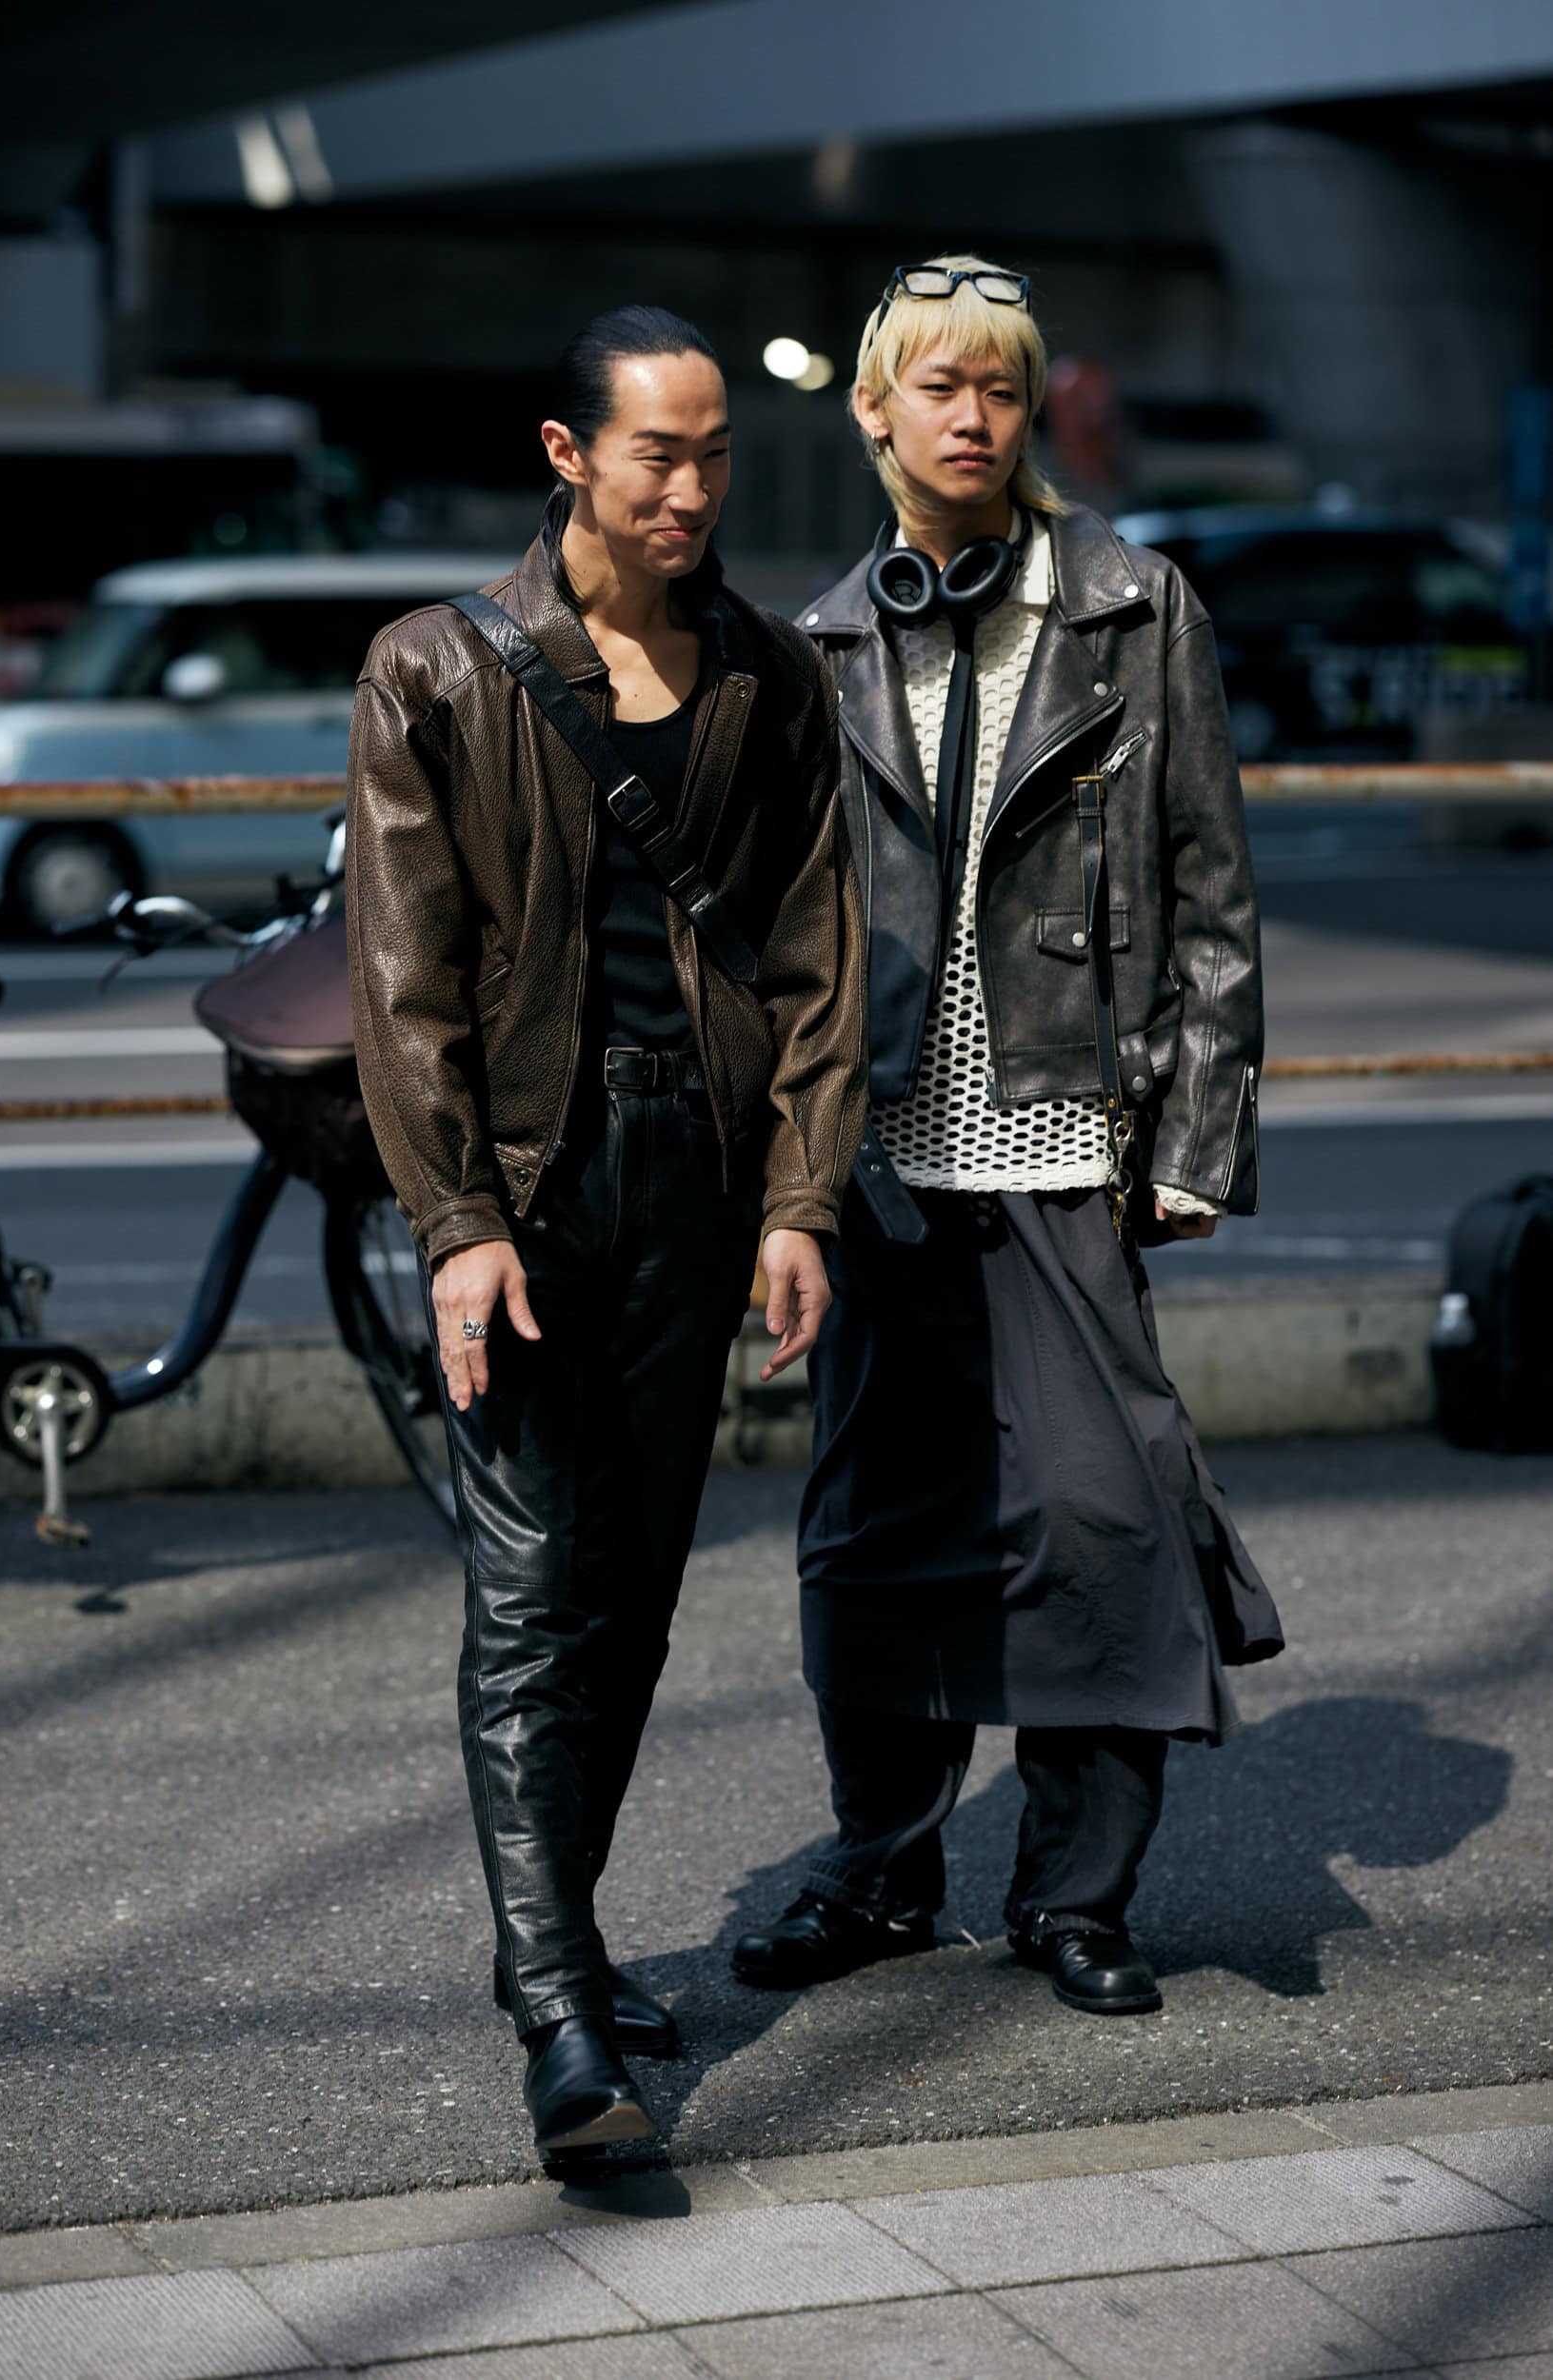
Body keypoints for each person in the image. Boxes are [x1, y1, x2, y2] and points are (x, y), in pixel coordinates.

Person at [733, 256, 1284, 2016]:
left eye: (1001, 386)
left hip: (1066, 1138)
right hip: (881, 1155)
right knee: (877, 1528)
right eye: (940, 386)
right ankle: (882, 1872)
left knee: (1103, 1519)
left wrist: (1194, 1137)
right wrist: (786, 1171)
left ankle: (1076, 1898)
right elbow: (781, 933)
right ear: (874, 409)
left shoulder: (1133, 607)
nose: (973, 417)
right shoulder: (824, 639)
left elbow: (1210, 888)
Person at [347, 306, 866, 2156]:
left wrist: (800, 1196)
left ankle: (549, 1941)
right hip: (524, 1184)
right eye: (661, 452)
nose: (694, 488)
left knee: (632, 1588)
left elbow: (816, 955)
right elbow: (404, 977)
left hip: (698, 1178)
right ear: (570, 453)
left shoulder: (768, 673)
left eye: (717, 453)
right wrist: (456, 1220)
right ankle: (565, 2015)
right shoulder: (434, 668)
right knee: (529, 1591)